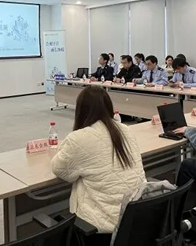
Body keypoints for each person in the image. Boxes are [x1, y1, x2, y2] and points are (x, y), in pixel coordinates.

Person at [51, 85, 146, 235]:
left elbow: (60, 170)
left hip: (101, 228)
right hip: (135, 218)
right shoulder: (125, 129)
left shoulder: (79, 138)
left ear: (81, 110)